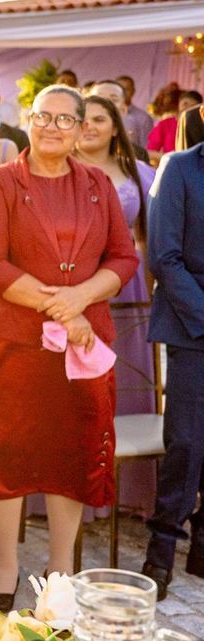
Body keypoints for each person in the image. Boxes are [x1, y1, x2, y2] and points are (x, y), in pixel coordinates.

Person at [0, 85, 138, 610]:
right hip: (13, 344)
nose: (52, 127)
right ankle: (6, 568)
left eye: (65, 119)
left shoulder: (98, 184)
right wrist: (64, 309)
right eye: (42, 116)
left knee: (73, 454)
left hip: (83, 347)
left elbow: (124, 257)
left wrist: (80, 300)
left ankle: (60, 572)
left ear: (81, 128)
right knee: (6, 454)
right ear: (28, 121)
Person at [75, 94, 158, 517]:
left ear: (115, 127)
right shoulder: (61, 171)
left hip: (131, 287)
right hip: (76, 285)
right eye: (82, 119)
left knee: (129, 381)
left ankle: (128, 493)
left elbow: (148, 236)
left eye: (99, 119)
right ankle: (78, 492)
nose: (89, 126)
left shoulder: (139, 173)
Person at [143, 104, 204, 599]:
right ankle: (161, 550)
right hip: (192, 326)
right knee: (185, 442)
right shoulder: (180, 167)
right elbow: (163, 256)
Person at [95, 78, 153, 153]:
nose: (107, 102)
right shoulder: (86, 121)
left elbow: (145, 148)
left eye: (113, 99)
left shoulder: (142, 118)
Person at [146, 86, 197, 166]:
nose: (188, 108)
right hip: (169, 167)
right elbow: (150, 152)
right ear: (178, 104)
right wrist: (167, 158)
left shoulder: (200, 127)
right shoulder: (165, 124)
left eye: (193, 106)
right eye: (185, 104)